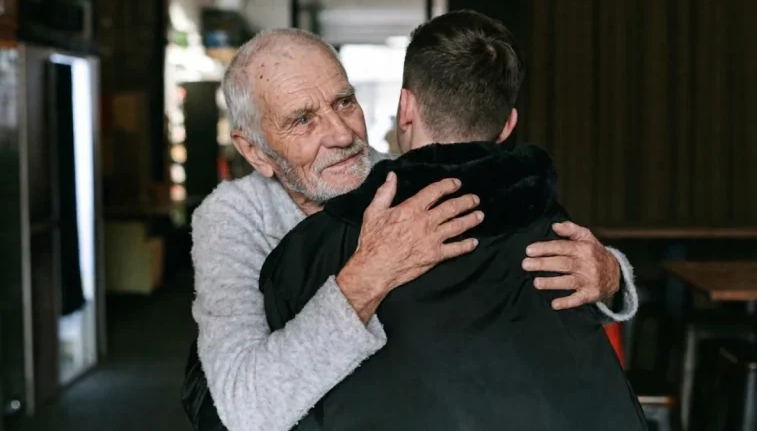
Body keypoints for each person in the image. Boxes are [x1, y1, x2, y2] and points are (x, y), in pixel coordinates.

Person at [185, 24, 639, 431]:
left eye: (345, 102)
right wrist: (370, 273)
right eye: (304, 120)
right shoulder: (232, 219)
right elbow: (244, 410)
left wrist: (611, 276)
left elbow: (509, 245)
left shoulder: (398, 175)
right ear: (256, 152)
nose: (342, 134)